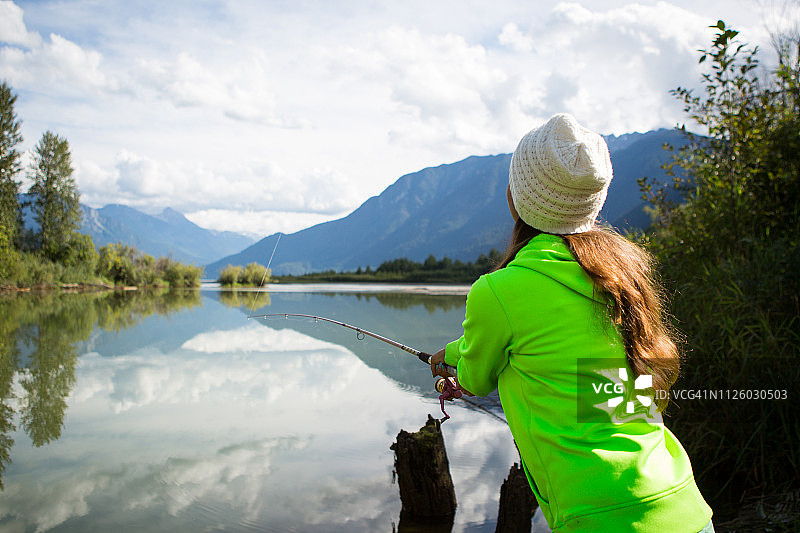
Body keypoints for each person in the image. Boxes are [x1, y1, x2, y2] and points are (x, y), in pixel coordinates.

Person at [429, 113, 713, 532]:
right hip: (681, 504)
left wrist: (456, 364)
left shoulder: (498, 291)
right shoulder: (622, 275)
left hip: (600, 519)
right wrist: (454, 351)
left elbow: (476, 377)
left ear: (514, 198)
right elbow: (606, 388)